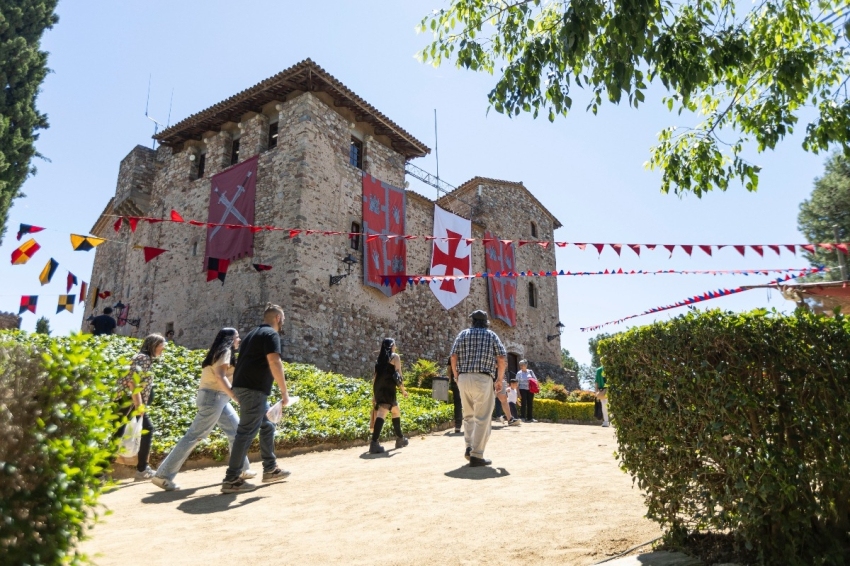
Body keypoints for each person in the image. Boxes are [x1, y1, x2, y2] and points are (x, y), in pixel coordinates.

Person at [151, 328, 255, 491]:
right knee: (194, 436)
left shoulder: (221, 352)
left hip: (217, 398)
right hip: (214, 398)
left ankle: (242, 469)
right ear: (229, 339)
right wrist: (236, 397)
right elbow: (220, 376)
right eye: (236, 337)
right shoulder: (225, 352)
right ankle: (163, 475)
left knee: (235, 431)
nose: (239, 340)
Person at [220, 304, 291, 494]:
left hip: (246, 388)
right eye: (282, 319)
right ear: (277, 318)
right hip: (254, 390)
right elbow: (275, 361)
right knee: (245, 433)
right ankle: (231, 479)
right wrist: (284, 393)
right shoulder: (271, 335)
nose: (282, 323)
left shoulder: (252, 334)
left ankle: (270, 469)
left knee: (267, 425)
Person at [450, 310, 507, 467]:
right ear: (486, 322)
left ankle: (469, 447)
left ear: (473, 321)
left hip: (463, 377)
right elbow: (501, 358)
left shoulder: (463, 334)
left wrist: (456, 375)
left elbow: (453, 356)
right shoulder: (491, 335)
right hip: (483, 378)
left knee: (468, 415)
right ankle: (477, 454)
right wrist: (499, 379)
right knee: (482, 417)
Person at [115, 333, 166, 480]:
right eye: (162, 346)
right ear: (154, 345)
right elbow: (133, 383)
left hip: (129, 402)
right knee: (118, 435)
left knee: (124, 433)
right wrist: (139, 405)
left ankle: (142, 468)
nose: (163, 349)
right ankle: (141, 469)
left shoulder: (144, 358)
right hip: (129, 402)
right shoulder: (143, 358)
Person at [369, 338, 410, 454]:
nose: (395, 348)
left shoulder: (380, 359)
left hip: (378, 388)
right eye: (394, 345)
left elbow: (375, 377)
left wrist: (374, 395)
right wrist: (403, 390)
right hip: (388, 389)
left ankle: (400, 438)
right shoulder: (395, 357)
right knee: (382, 413)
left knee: (396, 411)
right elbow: (398, 376)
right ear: (391, 346)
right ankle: (374, 443)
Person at [447, 359, 462, 434]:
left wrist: (450, 380)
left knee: (457, 403)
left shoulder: (452, 356)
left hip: (455, 380)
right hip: (466, 379)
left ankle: (458, 426)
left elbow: (449, 370)